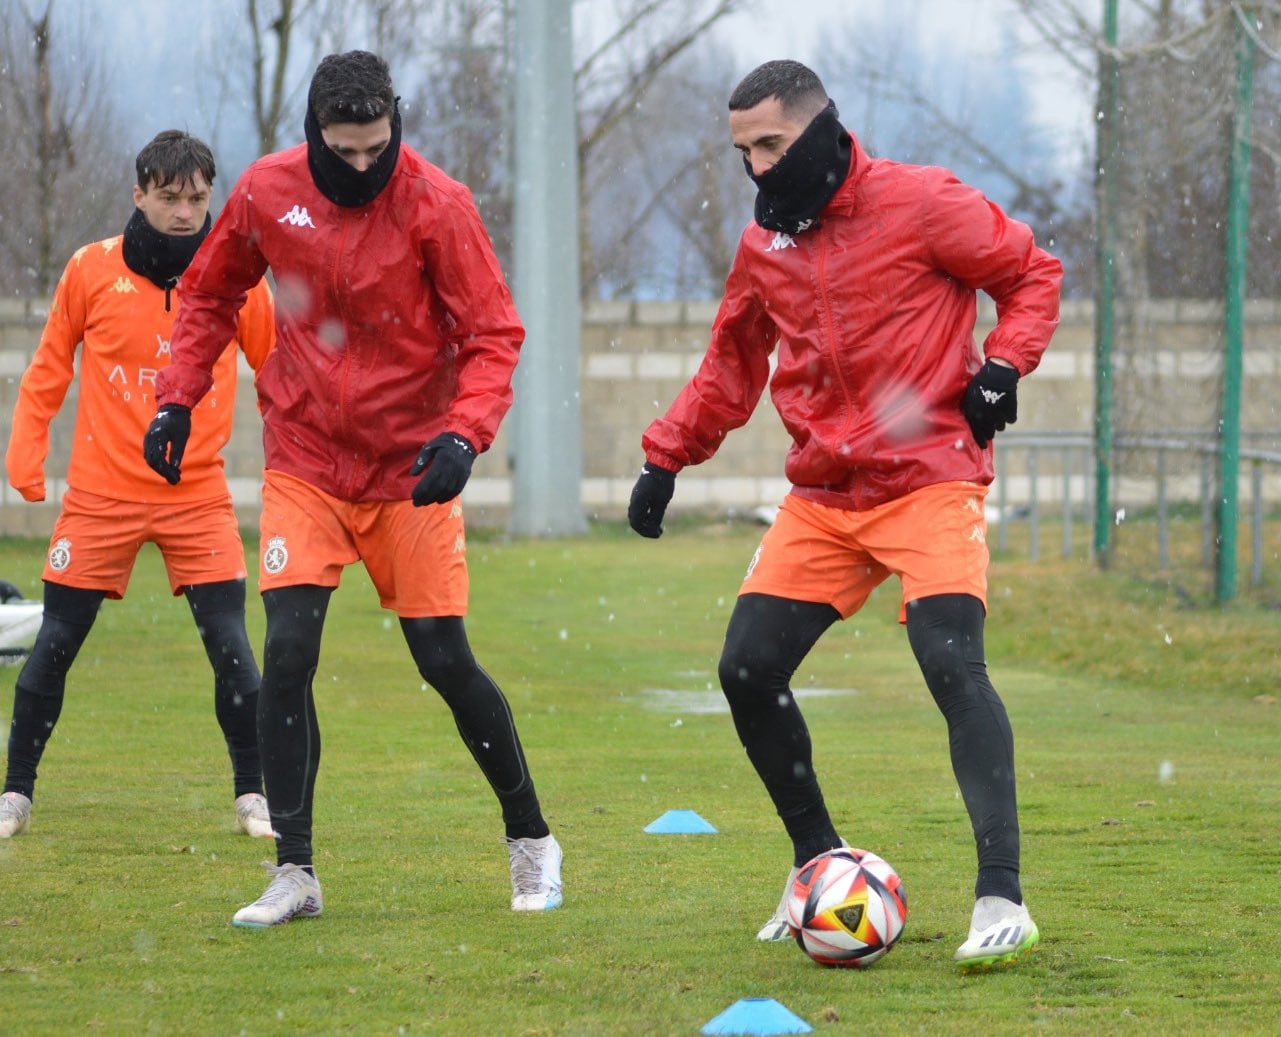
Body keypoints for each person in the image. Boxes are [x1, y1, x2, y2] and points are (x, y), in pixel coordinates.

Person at [627, 60, 1061, 971]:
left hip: (931, 473)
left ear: (820, 129)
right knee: (745, 669)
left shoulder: (922, 202)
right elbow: (729, 370)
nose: (754, 168)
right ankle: (815, 863)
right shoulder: (763, 247)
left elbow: (1032, 273)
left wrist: (1002, 364)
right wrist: (665, 456)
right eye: (741, 150)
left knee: (948, 660)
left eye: (770, 145)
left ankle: (1001, 895)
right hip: (825, 497)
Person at [143, 50, 563, 928]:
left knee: (442, 660)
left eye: (378, 147)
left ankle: (530, 837)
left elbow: (493, 333)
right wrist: (176, 397)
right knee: (287, 652)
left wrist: (463, 432)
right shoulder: (265, 192)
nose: (365, 165)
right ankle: (295, 868)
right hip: (306, 460)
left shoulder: (438, 205)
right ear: (314, 133)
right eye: (346, 150)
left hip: (411, 467)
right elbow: (211, 294)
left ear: (395, 124)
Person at [2, 131, 275, 841]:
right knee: (55, 642)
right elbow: (48, 369)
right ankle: (14, 794)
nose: (184, 213)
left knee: (232, 647)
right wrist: (25, 455)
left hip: (197, 495)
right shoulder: (90, 270)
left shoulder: (237, 280)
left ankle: (253, 793)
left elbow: (283, 378)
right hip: (100, 495)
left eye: (196, 198)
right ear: (139, 195)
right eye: (168, 197)